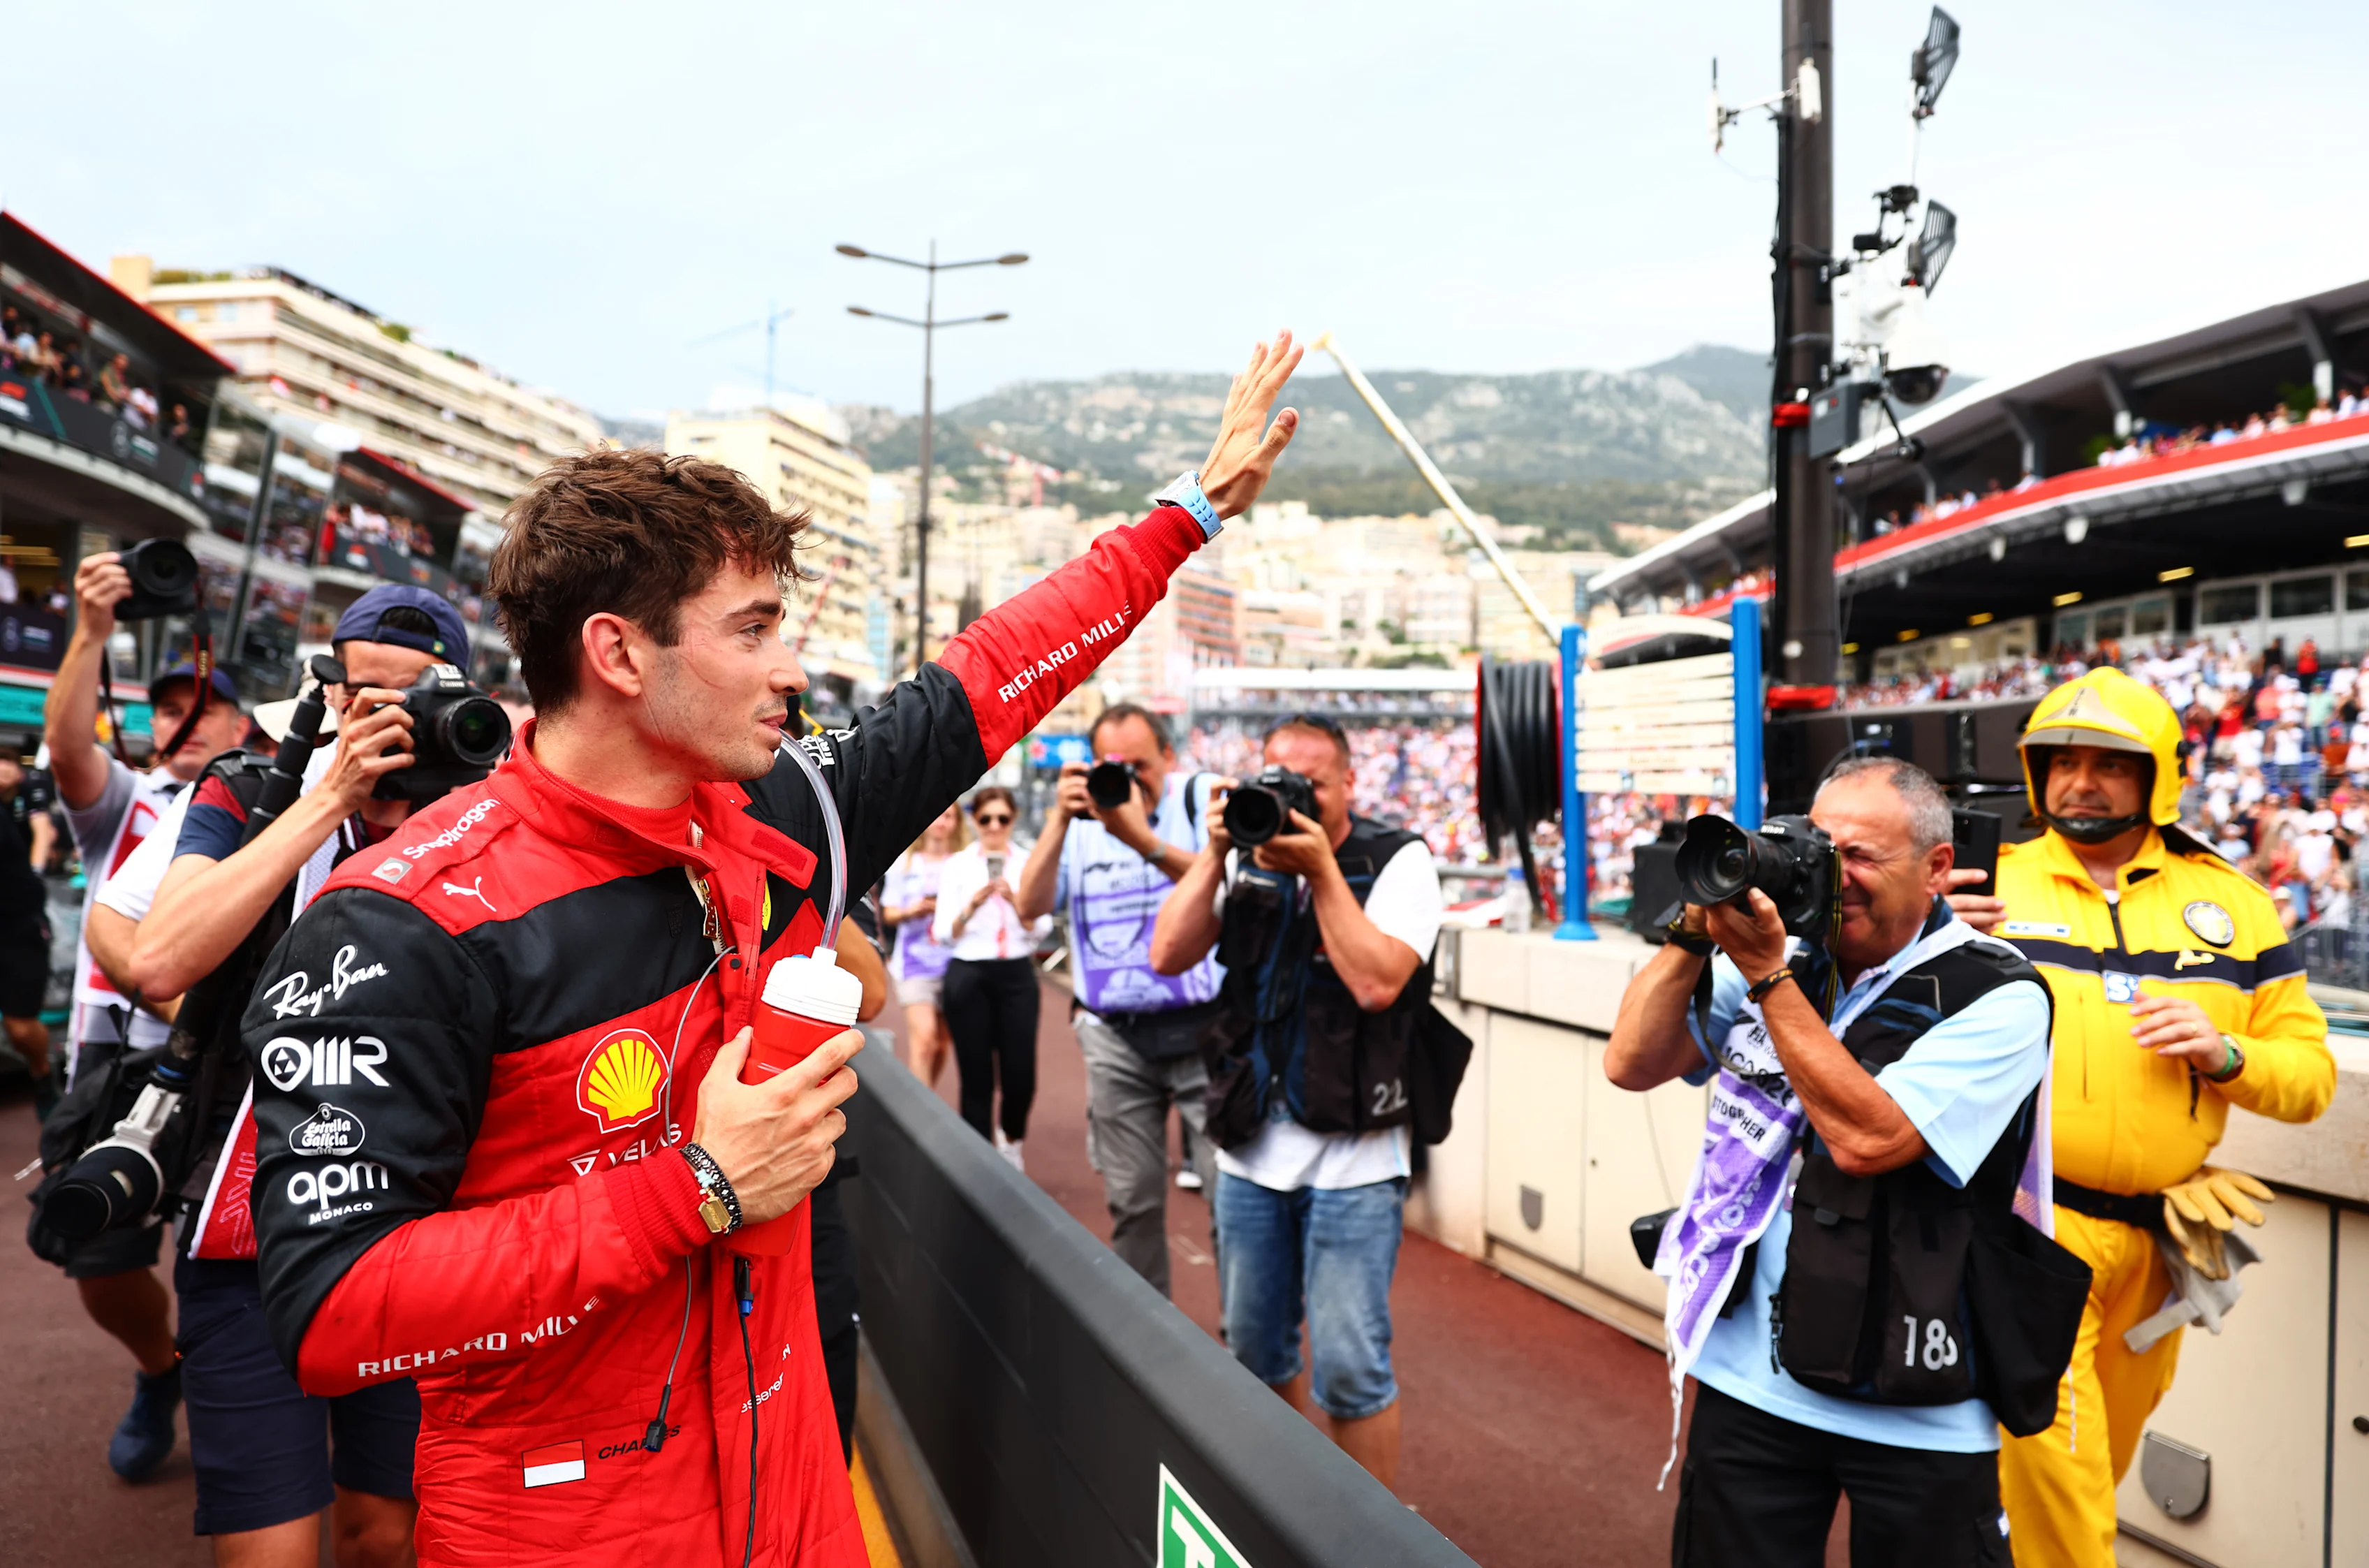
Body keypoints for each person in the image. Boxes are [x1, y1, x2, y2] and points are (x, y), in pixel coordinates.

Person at [241, 332, 1305, 1565]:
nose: (792, 670)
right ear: (620, 653)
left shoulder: (783, 814)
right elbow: (328, 1313)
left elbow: (992, 673)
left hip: (794, 1499)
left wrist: (1184, 516)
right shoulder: (399, 922)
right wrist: (693, 1186)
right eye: (752, 631)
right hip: (565, 1530)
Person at [1603, 758, 2055, 1567]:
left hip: (1921, 1398)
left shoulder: (2001, 995)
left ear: (1937, 868)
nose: (1830, 876)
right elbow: (1632, 1061)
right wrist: (1691, 927)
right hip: (1749, 1379)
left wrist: (1768, 976)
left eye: (1860, 857)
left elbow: (1865, 1140)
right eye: (1819, 847)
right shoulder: (1784, 955)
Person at [1948, 668, 2334, 1568]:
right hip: (2027, 1234)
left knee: (2092, 1473)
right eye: (2061, 760)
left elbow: (2309, 1078)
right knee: (2067, 1498)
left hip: (2155, 1250)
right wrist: (1932, 948)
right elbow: (1884, 1028)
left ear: (2158, 777)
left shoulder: (2236, 907)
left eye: (2108, 764)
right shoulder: (1979, 887)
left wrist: (2223, 1054)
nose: (2079, 780)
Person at [1149, 712, 1446, 1490]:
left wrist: (1319, 872)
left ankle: (1367, 1539)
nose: (1293, 797)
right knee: (1253, 1353)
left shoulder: (1398, 859)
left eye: (1311, 783)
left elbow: (1378, 982)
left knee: (1350, 1365)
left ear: (1349, 782)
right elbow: (1167, 951)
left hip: (1355, 1155)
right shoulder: (1242, 853)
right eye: (1278, 778)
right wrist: (1216, 849)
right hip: (1250, 1148)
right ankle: (1278, 1512)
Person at [40, 548, 251, 1481]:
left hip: (236, 1066)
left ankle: (256, 1412)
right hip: (119, 1059)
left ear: (250, 725)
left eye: (205, 706)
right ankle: (158, 1367)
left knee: (242, 1254)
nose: (185, 720)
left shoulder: (272, 804)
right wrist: (91, 632)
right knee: (97, 1251)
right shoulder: (126, 804)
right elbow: (67, 750)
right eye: (169, 709)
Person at [1015, 701, 1221, 1296]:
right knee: (1131, 1200)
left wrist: (1142, 839)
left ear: (1170, 758)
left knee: (1228, 1197)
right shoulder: (1082, 822)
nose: (1129, 779)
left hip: (1206, 1028)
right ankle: (1148, 1348)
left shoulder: (1198, 801)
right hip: (1115, 1035)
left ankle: (1244, 1354)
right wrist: (1059, 820)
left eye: (1141, 764)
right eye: (1115, 765)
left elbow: (1226, 879)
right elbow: (1029, 905)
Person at [932, 785, 1049, 1167]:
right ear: (975, 821)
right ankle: (979, 1161)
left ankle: (1011, 1138)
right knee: (976, 1075)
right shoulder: (959, 866)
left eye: (1002, 818)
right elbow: (944, 932)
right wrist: (972, 905)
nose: (994, 826)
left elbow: (1041, 929)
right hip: (969, 972)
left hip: (1016, 972)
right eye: (986, 819)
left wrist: (1017, 902)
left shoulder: (1028, 862)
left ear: (1013, 819)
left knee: (1021, 1074)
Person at [880, 803, 962, 1086]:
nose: (941, 821)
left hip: (955, 964)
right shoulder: (904, 863)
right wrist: (911, 911)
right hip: (914, 964)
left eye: (949, 815)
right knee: (924, 1039)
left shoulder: (963, 864)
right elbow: (888, 913)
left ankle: (927, 1098)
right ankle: (920, 1119)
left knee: (941, 1044)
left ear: (957, 822)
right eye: (938, 813)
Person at [0, 752, 57, 1113]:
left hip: (20, 924)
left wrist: (35, 872)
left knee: (21, 1027)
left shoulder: (31, 792)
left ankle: (43, 1072)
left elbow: (44, 831)